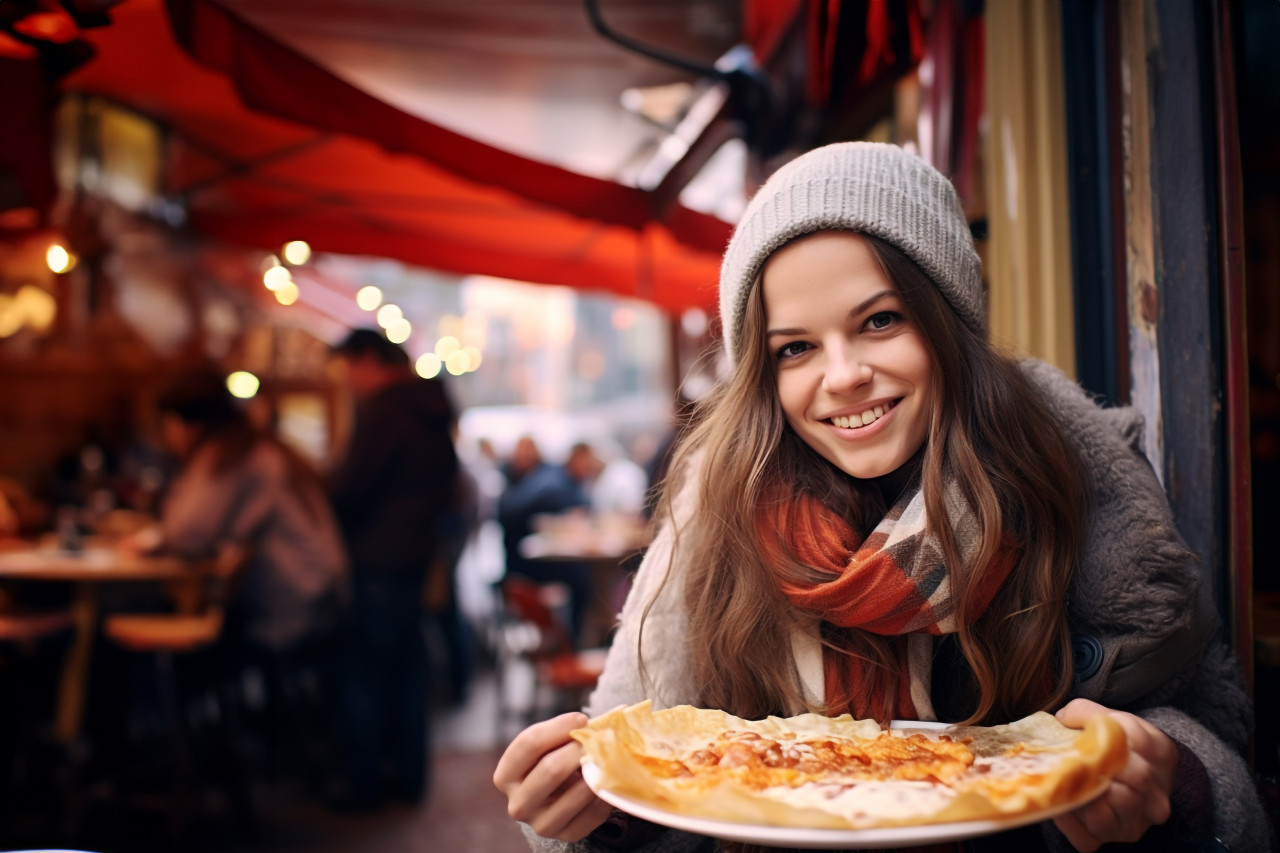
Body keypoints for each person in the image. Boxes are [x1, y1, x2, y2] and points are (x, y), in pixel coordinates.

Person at [493, 142, 1271, 852]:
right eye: (794, 347)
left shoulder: (1072, 479)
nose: (841, 375)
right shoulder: (717, 519)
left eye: (879, 321)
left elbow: (1213, 742)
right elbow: (676, 779)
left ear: (948, 323)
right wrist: (603, 816)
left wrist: (1173, 778)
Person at [329, 328, 458, 810]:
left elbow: (350, 490)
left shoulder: (385, 412)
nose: (348, 382)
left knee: (365, 673)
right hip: (415, 558)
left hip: (378, 561)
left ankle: (363, 788)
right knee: (407, 671)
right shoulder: (431, 410)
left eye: (348, 370)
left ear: (368, 360)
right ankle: (409, 778)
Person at [140, 367, 348, 655]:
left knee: (174, 635)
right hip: (320, 595)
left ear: (181, 424)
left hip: (290, 606)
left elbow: (188, 534)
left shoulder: (232, 456)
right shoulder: (260, 447)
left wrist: (154, 539)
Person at [498, 440, 603, 645]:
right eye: (587, 461)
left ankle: (576, 641)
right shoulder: (555, 485)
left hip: (518, 558)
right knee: (581, 580)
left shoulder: (555, 479)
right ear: (575, 458)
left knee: (583, 577)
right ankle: (574, 644)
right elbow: (582, 512)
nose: (590, 467)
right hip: (522, 564)